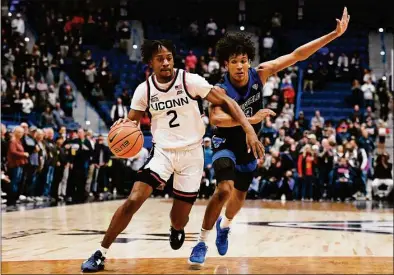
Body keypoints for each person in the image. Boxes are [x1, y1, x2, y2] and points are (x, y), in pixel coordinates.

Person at [81, 39, 264, 272]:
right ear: (150, 63)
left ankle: (176, 229)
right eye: (160, 59)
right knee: (134, 200)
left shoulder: (190, 80)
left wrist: (249, 129)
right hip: (162, 153)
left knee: (179, 220)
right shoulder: (144, 90)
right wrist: (122, 128)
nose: (166, 62)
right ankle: (101, 253)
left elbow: (227, 100)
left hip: (191, 156)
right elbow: (132, 123)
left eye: (169, 57)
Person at [189, 7, 350, 268]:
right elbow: (216, 120)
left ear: (249, 61)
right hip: (226, 142)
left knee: (238, 199)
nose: (239, 66)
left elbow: (298, 55)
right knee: (223, 190)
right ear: (225, 64)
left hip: (249, 147)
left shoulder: (260, 74)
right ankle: (201, 241)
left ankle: (225, 226)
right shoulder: (218, 88)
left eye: (243, 60)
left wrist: (333, 34)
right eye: (234, 61)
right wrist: (250, 121)